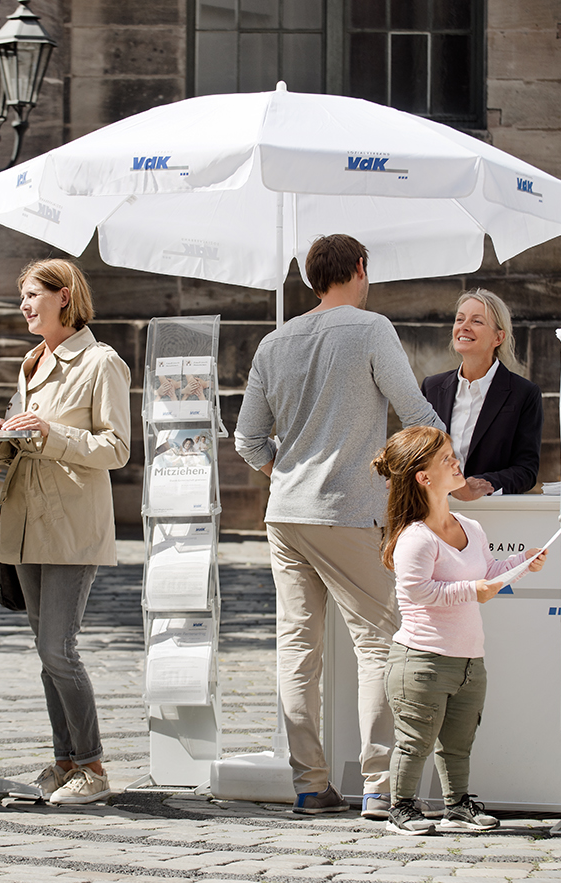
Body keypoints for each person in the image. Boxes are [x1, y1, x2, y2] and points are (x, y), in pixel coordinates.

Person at [234, 234, 446, 818]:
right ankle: (379, 785)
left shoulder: (274, 342)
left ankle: (310, 785)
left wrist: (286, 473)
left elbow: (248, 439)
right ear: (359, 268)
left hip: (286, 513)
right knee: (378, 642)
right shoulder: (371, 328)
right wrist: (454, 467)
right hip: (350, 509)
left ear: (311, 279)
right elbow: (417, 414)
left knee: (297, 649)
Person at [0, 258, 131, 806]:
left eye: (32, 295)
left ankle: (92, 767)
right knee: (47, 654)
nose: (24, 305)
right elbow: (24, 443)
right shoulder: (31, 361)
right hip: (24, 523)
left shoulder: (101, 362)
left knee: (58, 649)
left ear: (64, 297)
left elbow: (117, 448)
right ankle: (64, 761)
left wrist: (49, 433)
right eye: (21, 296)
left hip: (71, 525)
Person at [372, 426, 546, 836]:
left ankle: (457, 806)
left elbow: (488, 572)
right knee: (415, 741)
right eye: (446, 458)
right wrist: (474, 590)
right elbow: (418, 591)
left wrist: (521, 563)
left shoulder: (470, 526)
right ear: (424, 477)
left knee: (458, 742)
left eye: (453, 454)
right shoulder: (415, 538)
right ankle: (401, 809)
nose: (457, 463)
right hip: (423, 661)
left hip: (468, 659)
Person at [420, 289, 543, 498]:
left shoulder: (524, 394)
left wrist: (479, 485)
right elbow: (417, 455)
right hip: (434, 507)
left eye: (477, 321)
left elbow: (526, 472)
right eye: (460, 319)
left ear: (498, 337)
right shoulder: (432, 387)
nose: (464, 326)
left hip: (490, 509)